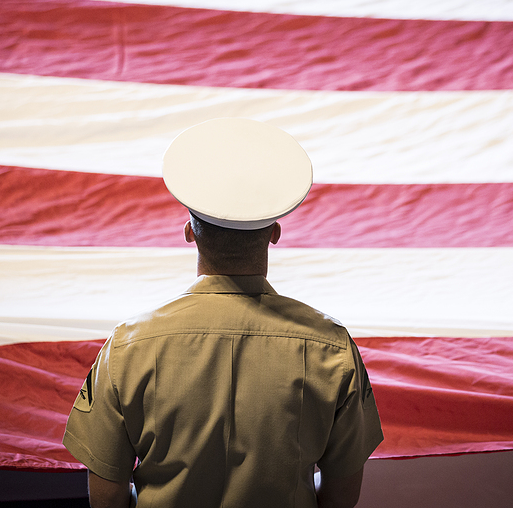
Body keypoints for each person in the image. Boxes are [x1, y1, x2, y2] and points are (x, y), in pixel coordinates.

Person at [63, 118, 383, 508]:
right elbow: (341, 497)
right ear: (274, 234)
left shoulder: (129, 346)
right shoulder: (331, 347)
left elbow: (107, 498)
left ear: (189, 232)